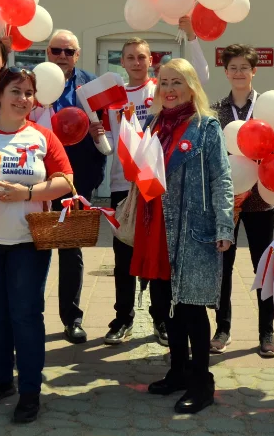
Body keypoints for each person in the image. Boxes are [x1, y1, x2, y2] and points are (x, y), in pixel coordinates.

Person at [0, 67, 75, 423]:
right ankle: (1, 379)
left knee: (25, 314)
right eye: (16, 91)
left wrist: (28, 193)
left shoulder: (42, 137)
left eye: (29, 93)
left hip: (29, 242)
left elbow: (66, 180)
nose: (23, 99)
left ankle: (30, 390)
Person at [135, 58, 234, 415]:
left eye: (177, 82)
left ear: (191, 86)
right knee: (165, 305)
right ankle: (177, 371)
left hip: (193, 228)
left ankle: (200, 381)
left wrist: (224, 226)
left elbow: (222, 177)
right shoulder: (151, 124)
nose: (170, 89)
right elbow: (144, 175)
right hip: (156, 228)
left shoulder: (206, 127)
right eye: (164, 83)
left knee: (191, 307)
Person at [101, 38, 170, 347]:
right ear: (123, 62)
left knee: (157, 255)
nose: (136, 62)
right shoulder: (113, 99)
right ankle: (123, 319)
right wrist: (95, 135)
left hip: (156, 184)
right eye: (130, 57)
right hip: (123, 185)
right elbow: (104, 142)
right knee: (124, 257)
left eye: (142, 57)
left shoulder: (162, 90)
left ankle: (161, 319)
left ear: (150, 60)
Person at [213, 44, 274, 358]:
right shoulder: (216, 110)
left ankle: (267, 332)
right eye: (233, 67)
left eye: (245, 67)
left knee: (262, 267)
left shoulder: (268, 108)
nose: (239, 73)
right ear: (225, 72)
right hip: (227, 201)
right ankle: (222, 328)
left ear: (254, 71)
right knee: (222, 266)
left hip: (261, 200)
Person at [46, 30, 107, 344]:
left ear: (77, 55)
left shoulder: (91, 85)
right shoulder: (34, 82)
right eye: (56, 50)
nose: (62, 56)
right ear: (47, 52)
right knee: (33, 247)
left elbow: (109, 128)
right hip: (37, 175)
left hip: (76, 178)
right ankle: (26, 318)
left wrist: (100, 131)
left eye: (68, 51)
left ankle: (72, 319)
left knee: (70, 249)